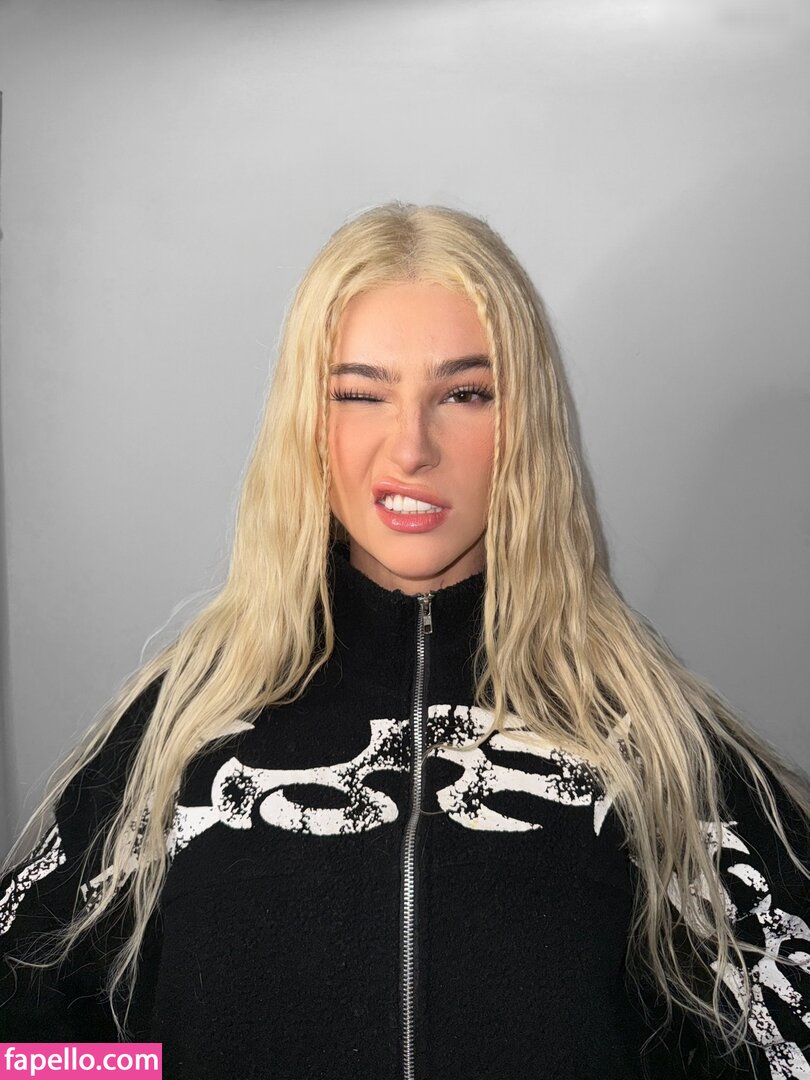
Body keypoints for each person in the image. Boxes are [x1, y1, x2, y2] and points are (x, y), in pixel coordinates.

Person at [1, 202, 809, 1080]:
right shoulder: (179, 734)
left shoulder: (654, 746)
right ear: (309, 422)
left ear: (525, 424)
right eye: (360, 393)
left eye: (464, 394)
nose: (411, 446)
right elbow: (26, 1045)